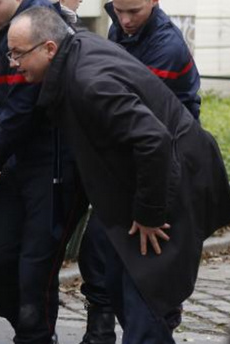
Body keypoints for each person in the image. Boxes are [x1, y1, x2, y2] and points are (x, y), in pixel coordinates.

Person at [4, 7, 230, 343]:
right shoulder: (78, 48)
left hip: (173, 181)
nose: (12, 62)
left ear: (49, 48)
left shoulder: (87, 82)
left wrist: (149, 214)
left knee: (145, 298)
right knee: (111, 266)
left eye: (19, 53)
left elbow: (153, 141)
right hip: (153, 177)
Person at [75, 2, 204, 342]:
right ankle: (100, 330)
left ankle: (158, 325)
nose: (125, 20)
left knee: (148, 270)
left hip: (166, 163)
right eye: (119, 10)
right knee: (98, 247)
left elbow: (145, 128)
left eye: (134, 11)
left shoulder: (167, 46)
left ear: (154, 2)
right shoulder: (121, 27)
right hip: (131, 162)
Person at [0, 0, 89, 343]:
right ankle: (33, 333)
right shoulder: (8, 29)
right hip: (19, 162)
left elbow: (22, 109)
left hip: (56, 168)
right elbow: (4, 102)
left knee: (35, 270)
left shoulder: (39, 27)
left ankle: (35, 335)